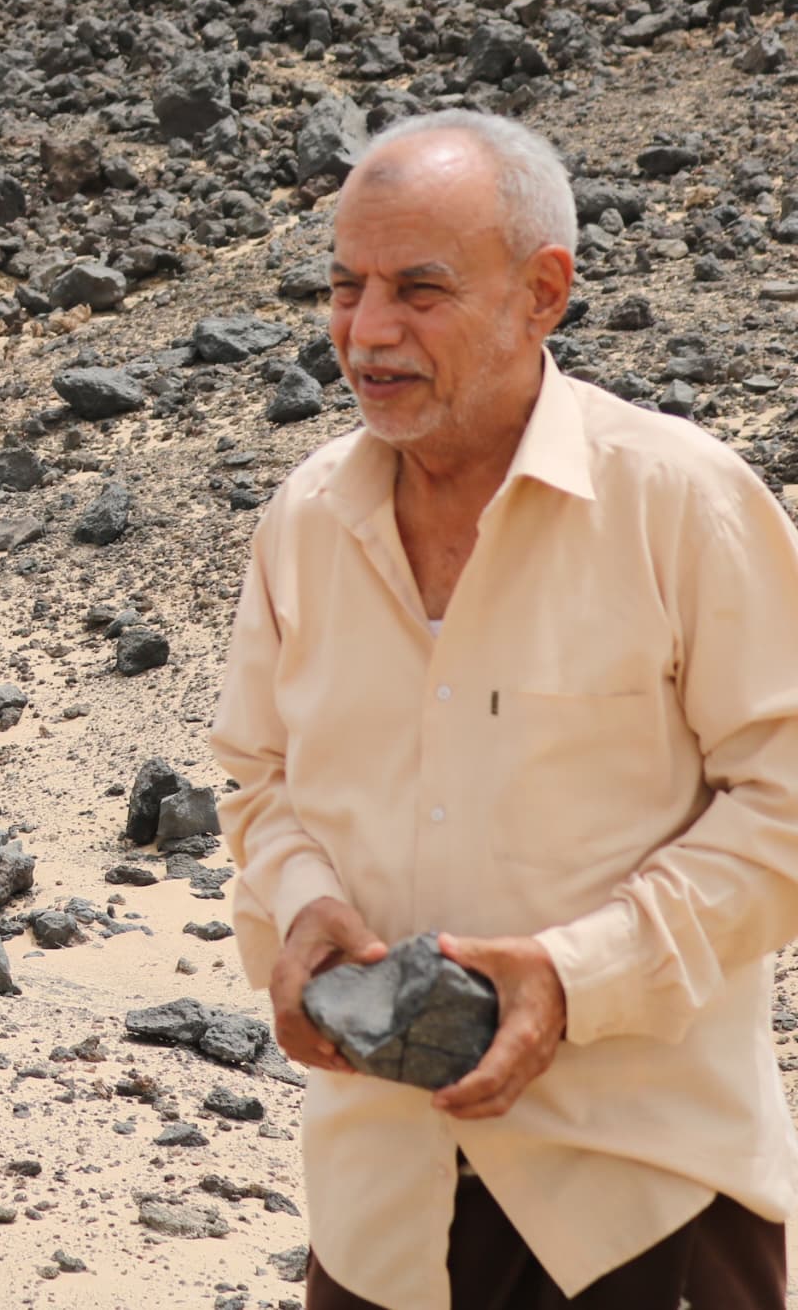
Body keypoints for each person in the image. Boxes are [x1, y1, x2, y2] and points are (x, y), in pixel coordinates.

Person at [209, 110, 798, 1310]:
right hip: (379, 1208)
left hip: (635, 1194)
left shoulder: (678, 502)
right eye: (346, 285)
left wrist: (573, 977)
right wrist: (301, 902)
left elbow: (784, 802)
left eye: (419, 289)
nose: (367, 330)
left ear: (543, 294)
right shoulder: (305, 520)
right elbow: (257, 780)